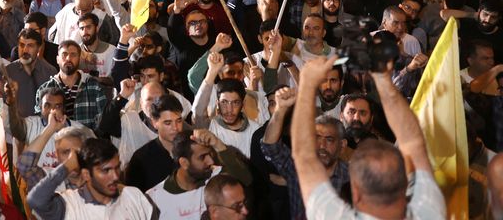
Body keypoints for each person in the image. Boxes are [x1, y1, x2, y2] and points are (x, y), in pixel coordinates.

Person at [290, 55, 445, 219]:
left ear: (355, 194)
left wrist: (306, 84)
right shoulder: (430, 211)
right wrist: (383, 79)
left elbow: (304, 156)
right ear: (405, 184)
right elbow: (413, 142)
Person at [261, 87, 349, 219]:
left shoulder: (352, 177)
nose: (321, 145)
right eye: (316, 138)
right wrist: (281, 110)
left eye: (329, 140)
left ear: (342, 145)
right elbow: (270, 147)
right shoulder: (298, 169)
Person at [27, 138, 157, 219]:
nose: (116, 176)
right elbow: (35, 200)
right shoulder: (69, 206)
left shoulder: (134, 196)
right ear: (86, 175)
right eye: (106, 171)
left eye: (117, 167)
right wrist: (66, 166)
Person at [146, 128, 253, 220]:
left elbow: (245, 179)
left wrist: (217, 144)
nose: (210, 161)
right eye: (202, 157)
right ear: (184, 163)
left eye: (210, 154)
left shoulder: (214, 177)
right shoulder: (155, 197)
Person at [35, 40, 107, 130]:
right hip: (55, 141)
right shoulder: (45, 89)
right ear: (57, 59)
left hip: (87, 141)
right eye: (64, 54)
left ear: (79, 59)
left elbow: (102, 121)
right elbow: (39, 124)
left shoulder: (94, 86)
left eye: (73, 55)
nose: (68, 58)